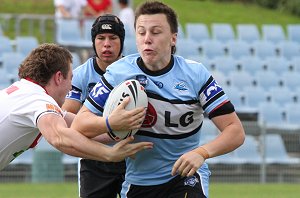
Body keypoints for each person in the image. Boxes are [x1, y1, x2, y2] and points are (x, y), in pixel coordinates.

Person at [71, 1, 245, 198]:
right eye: (141, 32)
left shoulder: (195, 75)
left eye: (155, 32)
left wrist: (202, 153)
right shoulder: (118, 73)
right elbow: (79, 124)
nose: (147, 39)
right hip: (139, 181)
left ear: (173, 38)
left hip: (185, 176)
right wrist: (110, 122)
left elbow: (235, 130)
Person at [0, 43, 153, 171]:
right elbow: (60, 137)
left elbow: (77, 127)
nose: (70, 88)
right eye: (71, 78)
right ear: (59, 77)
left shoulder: (25, 92)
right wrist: (109, 154)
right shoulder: (37, 100)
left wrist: (119, 127)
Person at [62, 14, 126, 198]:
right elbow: (66, 116)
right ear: (93, 42)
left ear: (121, 41)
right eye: (101, 38)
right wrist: (106, 133)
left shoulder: (135, 71)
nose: (106, 44)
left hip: (131, 156)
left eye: (113, 38)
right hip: (93, 159)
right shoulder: (80, 75)